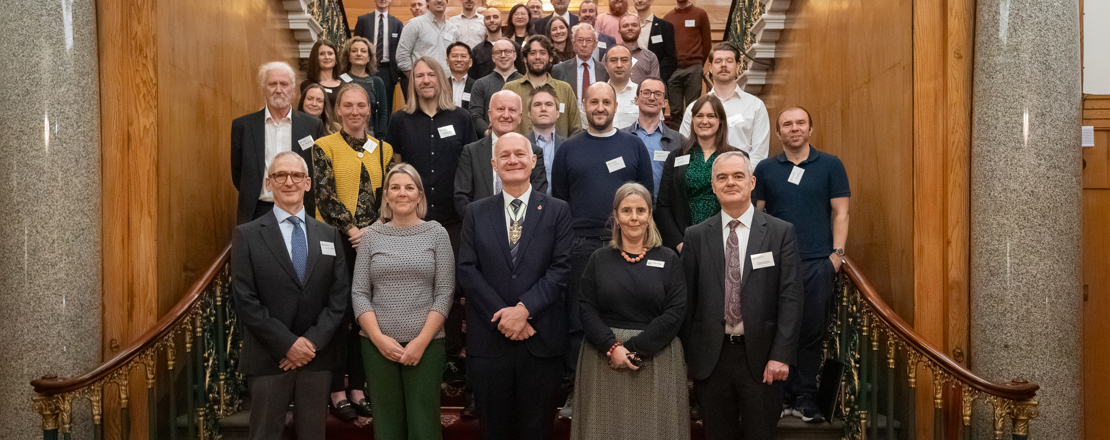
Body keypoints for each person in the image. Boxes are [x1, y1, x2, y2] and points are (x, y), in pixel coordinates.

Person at [457, 132, 574, 440]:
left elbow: (561, 269)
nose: (513, 160)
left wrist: (524, 310)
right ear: (494, 164)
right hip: (490, 341)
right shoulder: (475, 212)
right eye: (505, 156)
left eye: (520, 154)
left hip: (541, 342)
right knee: (494, 431)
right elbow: (467, 270)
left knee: (537, 430)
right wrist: (504, 315)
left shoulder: (557, 210)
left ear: (533, 160)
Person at [680, 151, 803, 440]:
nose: (730, 182)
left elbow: (791, 298)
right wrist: (690, 357)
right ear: (713, 186)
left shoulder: (780, 232)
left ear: (752, 182)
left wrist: (781, 355)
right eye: (722, 177)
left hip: (763, 359)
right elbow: (687, 300)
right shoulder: (695, 236)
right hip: (712, 358)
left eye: (738, 176)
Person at [232, 150, 350, 440]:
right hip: (268, 356)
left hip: (316, 358)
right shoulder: (246, 235)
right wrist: (287, 344)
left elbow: (338, 298)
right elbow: (245, 300)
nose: (289, 182)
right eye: (280, 175)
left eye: (296, 175)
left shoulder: (329, 235)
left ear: (308, 183)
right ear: (268, 183)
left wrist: (310, 343)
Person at [551, 82, 654, 401]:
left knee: (624, 312)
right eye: (593, 102)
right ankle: (576, 388)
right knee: (579, 316)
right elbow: (561, 198)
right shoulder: (568, 148)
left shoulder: (633, 145)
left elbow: (646, 193)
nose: (599, 107)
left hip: (627, 244)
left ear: (615, 105)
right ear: (584, 105)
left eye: (606, 102)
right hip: (580, 245)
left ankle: (623, 380)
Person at [753, 106, 850, 423]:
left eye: (800, 123)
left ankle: (805, 397)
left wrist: (836, 255)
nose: (794, 129)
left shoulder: (831, 165)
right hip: (775, 264)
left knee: (810, 331)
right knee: (779, 330)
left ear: (810, 129)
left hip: (817, 261)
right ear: (778, 133)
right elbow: (757, 215)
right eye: (787, 124)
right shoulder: (766, 169)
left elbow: (841, 213)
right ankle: (779, 397)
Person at [571, 182, 688, 440]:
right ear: (616, 216)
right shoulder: (598, 259)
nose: (634, 217)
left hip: (656, 359)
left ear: (649, 216)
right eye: (626, 210)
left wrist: (635, 348)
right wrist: (613, 348)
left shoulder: (669, 258)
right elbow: (586, 308)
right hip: (604, 359)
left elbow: (676, 311)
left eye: (640, 210)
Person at [310, 83, 396, 422]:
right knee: (338, 314)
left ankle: (359, 386)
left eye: (361, 105)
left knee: (366, 315)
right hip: (335, 241)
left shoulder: (383, 150)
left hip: (374, 242)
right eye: (348, 105)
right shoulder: (323, 145)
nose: (355, 111)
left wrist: (372, 230)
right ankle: (335, 387)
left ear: (370, 109)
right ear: (338, 109)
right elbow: (323, 193)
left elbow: (387, 194)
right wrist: (352, 230)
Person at [353, 163, 455, 440]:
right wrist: (378, 338)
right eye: (395, 187)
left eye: (409, 188)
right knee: (386, 425)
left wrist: (420, 342)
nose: (402, 193)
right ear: (385, 195)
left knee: (424, 426)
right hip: (377, 347)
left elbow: (445, 292)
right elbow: (359, 293)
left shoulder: (437, 233)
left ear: (420, 195)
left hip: (427, 345)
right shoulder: (371, 236)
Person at [385, 56, 478, 246]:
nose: (425, 80)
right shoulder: (399, 120)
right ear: (413, 82)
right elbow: (395, 168)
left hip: (454, 219)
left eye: (431, 74)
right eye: (419, 76)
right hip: (412, 219)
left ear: (441, 80)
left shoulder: (462, 118)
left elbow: (472, 167)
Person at [231, 62, 326, 225]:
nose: (278, 89)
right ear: (263, 89)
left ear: (293, 90)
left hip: (299, 210)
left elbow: (319, 171)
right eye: (272, 84)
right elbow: (237, 173)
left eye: (284, 84)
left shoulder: (312, 126)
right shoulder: (243, 126)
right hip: (257, 212)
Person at [656, 95, 735, 252]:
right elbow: (663, 206)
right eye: (699, 116)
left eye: (711, 116)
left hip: (725, 242)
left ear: (720, 120)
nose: (704, 121)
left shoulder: (736, 157)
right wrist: (679, 243)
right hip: (684, 243)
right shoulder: (675, 157)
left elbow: (746, 202)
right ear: (692, 120)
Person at [455, 90, 549, 216]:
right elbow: (462, 197)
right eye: (500, 109)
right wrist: (479, 223)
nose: (506, 115)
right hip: (481, 229)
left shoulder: (534, 151)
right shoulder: (471, 152)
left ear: (520, 117)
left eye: (512, 110)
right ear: (489, 114)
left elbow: (539, 195)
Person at [680, 43, 770, 166]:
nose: (723, 65)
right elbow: (684, 148)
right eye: (718, 61)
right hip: (701, 178)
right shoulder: (694, 108)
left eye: (729, 61)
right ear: (710, 68)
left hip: (741, 178)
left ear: (738, 66)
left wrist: (743, 178)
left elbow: (759, 154)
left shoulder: (755, 106)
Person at [502, 35, 581, 138]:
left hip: (559, 153)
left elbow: (576, 129)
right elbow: (501, 127)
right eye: (533, 53)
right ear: (525, 59)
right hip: (520, 152)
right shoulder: (510, 89)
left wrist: (565, 152)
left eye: (543, 53)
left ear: (551, 58)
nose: (538, 57)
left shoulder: (565, 89)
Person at [621, 76, 684, 196]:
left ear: (665, 102)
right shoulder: (621, 138)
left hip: (666, 210)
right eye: (646, 93)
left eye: (658, 94)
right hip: (631, 208)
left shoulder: (679, 141)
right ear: (636, 100)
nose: (652, 97)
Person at [663, 0, 711, 123]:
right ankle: (677, 142)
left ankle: (693, 141)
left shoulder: (700, 14)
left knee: (693, 110)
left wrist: (698, 63)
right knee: (675, 112)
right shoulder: (667, 18)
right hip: (673, 72)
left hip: (694, 69)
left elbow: (707, 44)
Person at [353, 0, 406, 109]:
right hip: (366, 70)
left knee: (385, 107)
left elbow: (400, 50)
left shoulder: (397, 24)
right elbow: (354, 45)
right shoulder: (363, 20)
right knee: (364, 102)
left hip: (388, 72)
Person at [470, 39, 524, 137]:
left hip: (521, 139)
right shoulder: (480, 84)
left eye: (507, 51)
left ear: (515, 56)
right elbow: (475, 115)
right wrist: (489, 133)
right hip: (490, 141)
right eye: (498, 52)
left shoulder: (525, 82)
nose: (503, 55)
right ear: (493, 57)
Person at [340, 37, 391, 139]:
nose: (359, 54)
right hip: (341, 134)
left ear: (368, 58)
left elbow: (383, 113)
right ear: (348, 56)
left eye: (363, 51)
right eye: (354, 51)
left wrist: (381, 138)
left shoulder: (377, 82)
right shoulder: (339, 81)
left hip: (370, 135)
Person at [396, 0, 459, 79]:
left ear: (446, 1)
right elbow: (402, 56)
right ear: (427, 2)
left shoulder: (453, 29)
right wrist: (415, 79)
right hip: (423, 84)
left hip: (447, 83)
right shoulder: (414, 25)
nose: (439, 1)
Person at [550, 23, 609, 99]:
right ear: (574, 43)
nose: (584, 44)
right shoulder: (559, 70)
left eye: (588, 40)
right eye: (580, 40)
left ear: (595, 44)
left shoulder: (604, 70)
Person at [526, 86, 564, 194]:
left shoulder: (569, 146)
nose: (543, 109)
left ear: (557, 113)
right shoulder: (521, 146)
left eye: (549, 104)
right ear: (529, 114)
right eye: (537, 105)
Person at [632, 0, 677, 82]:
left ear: (651, 1)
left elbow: (670, 58)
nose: (639, 0)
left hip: (657, 80)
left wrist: (658, 79)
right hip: (633, 79)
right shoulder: (629, 27)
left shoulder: (665, 26)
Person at [603, 45, 640, 129]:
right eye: (613, 60)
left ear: (631, 64)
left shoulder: (642, 94)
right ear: (606, 66)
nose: (619, 65)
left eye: (624, 60)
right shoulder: (596, 94)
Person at [301, 39, 345, 108]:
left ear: (336, 58)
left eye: (330, 53)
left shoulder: (344, 84)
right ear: (315, 58)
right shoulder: (307, 85)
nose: (327, 57)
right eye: (322, 54)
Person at [616, 14, 660, 84]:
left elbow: (654, 85)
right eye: (625, 26)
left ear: (640, 30)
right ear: (619, 32)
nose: (630, 28)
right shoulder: (610, 56)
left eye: (634, 25)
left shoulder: (651, 57)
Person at [469, 7, 507, 80]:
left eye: (495, 17)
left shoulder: (514, 47)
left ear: (502, 20)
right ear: (484, 22)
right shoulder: (477, 50)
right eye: (488, 18)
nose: (492, 20)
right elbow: (472, 79)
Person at [446, 42, 476, 110]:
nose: (459, 60)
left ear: (470, 62)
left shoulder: (477, 86)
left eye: (463, 56)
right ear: (447, 61)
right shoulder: (441, 85)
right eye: (454, 56)